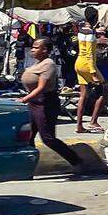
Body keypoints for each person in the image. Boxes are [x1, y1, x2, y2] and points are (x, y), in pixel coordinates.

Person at [19, 37, 82, 169]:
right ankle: (27, 167)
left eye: (36, 47)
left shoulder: (48, 64)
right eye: (33, 47)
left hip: (45, 103)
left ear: (45, 50)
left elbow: (41, 87)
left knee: (48, 138)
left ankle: (77, 161)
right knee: (28, 138)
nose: (33, 49)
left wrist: (23, 100)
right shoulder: (36, 63)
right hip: (34, 103)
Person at [74, 7, 107, 133]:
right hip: (88, 65)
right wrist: (93, 72)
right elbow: (89, 54)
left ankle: (79, 126)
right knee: (104, 91)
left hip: (78, 63)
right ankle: (93, 121)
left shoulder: (81, 30)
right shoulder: (90, 33)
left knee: (83, 95)